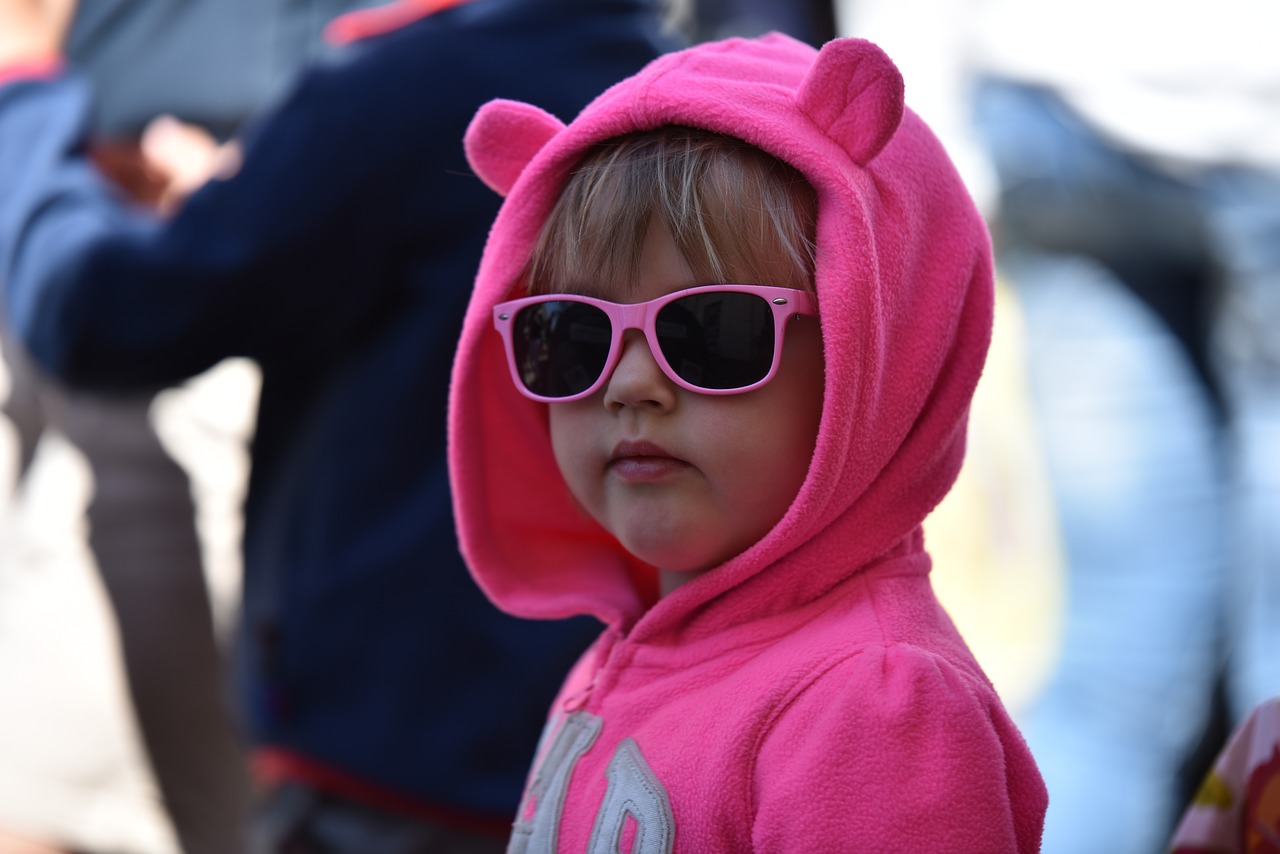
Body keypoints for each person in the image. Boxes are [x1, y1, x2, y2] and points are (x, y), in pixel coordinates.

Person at [0, 0, 679, 849]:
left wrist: (21, 87)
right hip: (581, 739)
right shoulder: (664, 91)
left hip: (392, 751)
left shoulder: (400, 87)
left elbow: (98, 313)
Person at [448, 33, 1048, 850]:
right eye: (573, 335)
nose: (630, 386)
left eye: (711, 332)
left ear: (877, 357)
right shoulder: (625, 652)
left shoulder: (874, 705)